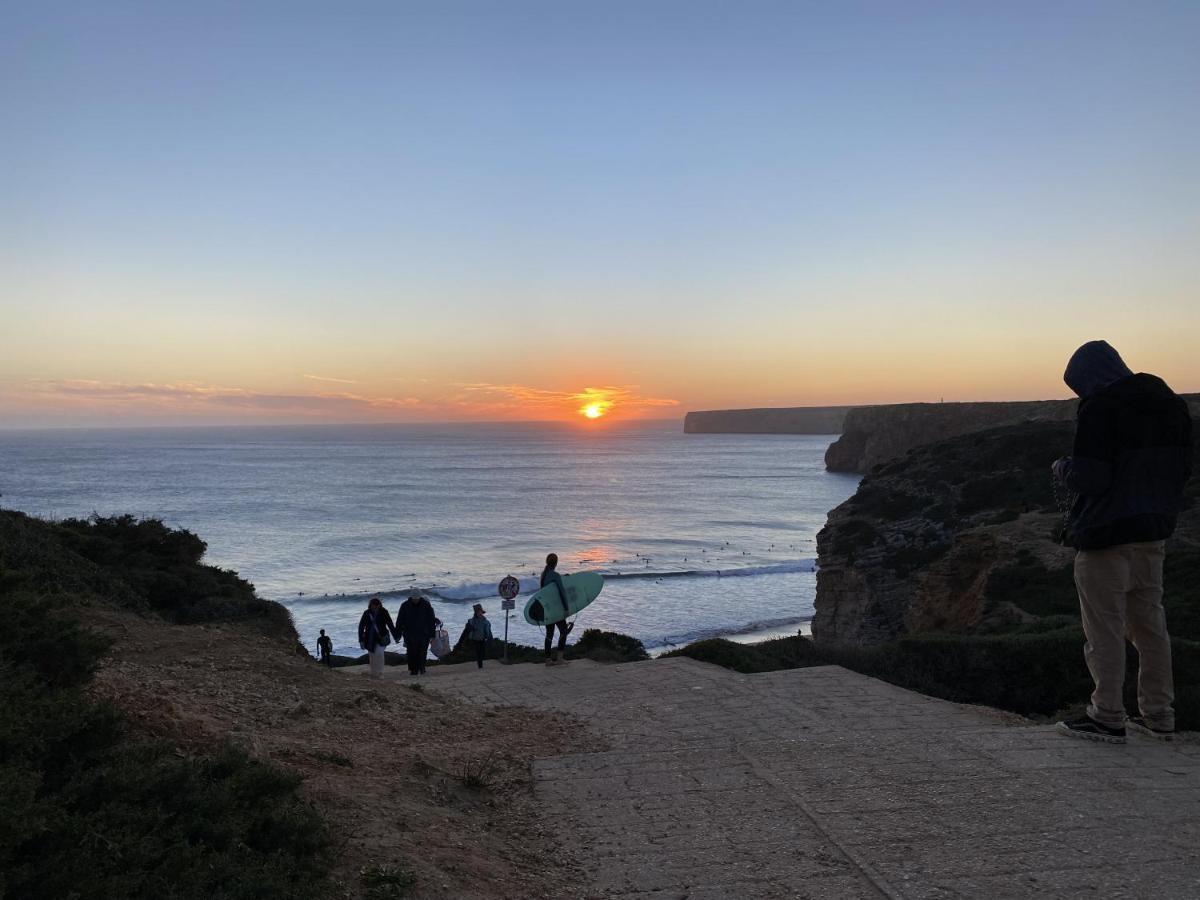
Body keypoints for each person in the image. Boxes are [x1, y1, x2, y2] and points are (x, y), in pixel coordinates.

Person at [1053, 341, 1192, 743]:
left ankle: (1107, 715)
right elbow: (1181, 470)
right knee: (1150, 627)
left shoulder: (1102, 407)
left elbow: (1092, 478)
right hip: (1153, 531)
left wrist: (1064, 469)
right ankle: (1160, 714)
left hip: (1106, 535)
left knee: (1104, 629)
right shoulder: (1171, 405)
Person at [540, 553, 575, 666]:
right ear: (556, 563)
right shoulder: (555, 575)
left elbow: (549, 588)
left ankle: (548, 660)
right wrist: (566, 608)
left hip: (547, 609)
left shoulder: (544, 575)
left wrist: (563, 577)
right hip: (557, 609)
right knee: (564, 631)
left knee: (549, 634)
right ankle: (560, 658)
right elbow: (561, 591)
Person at [396, 593, 437, 676]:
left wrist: (432, 635)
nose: (415, 600)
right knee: (412, 652)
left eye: (417, 598)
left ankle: (421, 669)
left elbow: (431, 620)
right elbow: (400, 620)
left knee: (422, 652)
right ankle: (413, 670)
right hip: (410, 634)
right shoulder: (405, 605)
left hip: (424, 634)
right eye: (414, 598)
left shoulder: (426, 605)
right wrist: (398, 634)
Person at [357, 597, 397, 679]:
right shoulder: (367, 613)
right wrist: (361, 640)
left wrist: (396, 636)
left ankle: (380, 673)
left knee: (379, 654)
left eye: (376, 606)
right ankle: (374, 673)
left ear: (379, 605)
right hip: (369, 638)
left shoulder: (384, 612)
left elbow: (390, 624)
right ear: (370, 605)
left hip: (381, 637)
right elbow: (361, 627)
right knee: (372, 656)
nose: (374, 608)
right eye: (373, 606)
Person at [463, 603, 493, 669]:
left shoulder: (485, 621)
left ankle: (480, 664)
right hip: (475, 639)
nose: (479, 613)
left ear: (482, 612)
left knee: (482, 653)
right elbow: (467, 627)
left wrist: (489, 637)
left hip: (482, 639)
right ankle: (480, 666)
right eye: (478, 612)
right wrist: (470, 628)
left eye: (480, 612)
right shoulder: (472, 621)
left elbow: (488, 630)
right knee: (478, 653)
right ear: (475, 613)